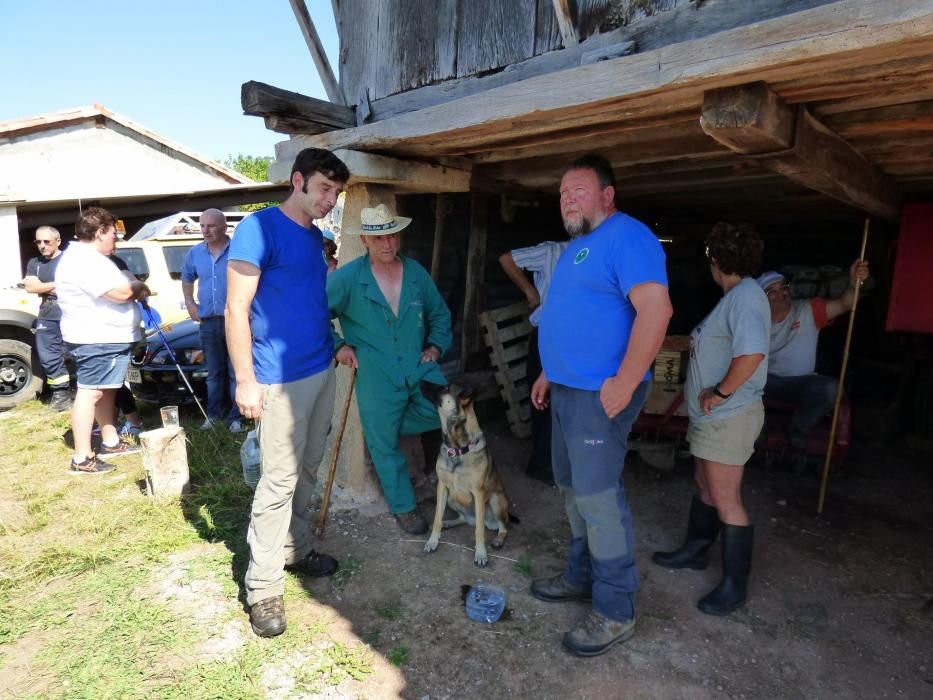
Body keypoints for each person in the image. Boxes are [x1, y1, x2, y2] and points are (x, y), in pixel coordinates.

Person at [529, 154, 672, 657]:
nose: (568, 198)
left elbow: (657, 309)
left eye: (579, 190)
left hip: (601, 395)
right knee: (571, 489)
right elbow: (570, 316)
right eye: (563, 192)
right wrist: (551, 370)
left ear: (607, 195)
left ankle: (615, 609)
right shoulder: (577, 249)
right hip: (569, 389)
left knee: (597, 498)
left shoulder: (628, 237)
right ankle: (580, 576)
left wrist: (628, 379)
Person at [226, 148, 349, 638]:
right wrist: (245, 379)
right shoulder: (258, 229)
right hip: (277, 378)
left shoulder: (317, 238)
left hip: (321, 369)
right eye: (323, 188)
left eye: (336, 193)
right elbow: (237, 310)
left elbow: (311, 304)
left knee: (310, 468)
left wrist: (337, 346)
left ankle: (295, 550)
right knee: (277, 482)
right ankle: (263, 588)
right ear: (297, 180)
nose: (330, 199)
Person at [653, 222, 769, 616]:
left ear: (715, 260)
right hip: (713, 417)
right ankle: (695, 551)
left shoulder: (747, 298)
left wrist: (719, 393)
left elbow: (751, 355)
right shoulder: (736, 296)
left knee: (726, 499)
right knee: (705, 486)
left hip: (729, 415)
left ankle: (734, 586)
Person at [327, 204, 451, 535]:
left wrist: (435, 346)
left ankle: (447, 483)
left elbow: (439, 313)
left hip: (416, 362)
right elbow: (313, 314)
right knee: (383, 441)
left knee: (447, 411)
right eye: (379, 238)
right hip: (375, 369)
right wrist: (338, 346)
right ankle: (404, 507)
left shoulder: (415, 273)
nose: (388, 244)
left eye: (393, 236)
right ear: (365, 240)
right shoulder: (349, 278)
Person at [55, 207, 148, 474]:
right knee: (91, 392)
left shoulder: (92, 257)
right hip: (95, 339)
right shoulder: (83, 260)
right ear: (99, 232)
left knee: (106, 390)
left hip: (105, 338)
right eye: (113, 234)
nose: (116, 240)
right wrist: (139, 288)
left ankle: (110, 440)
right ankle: (82, 458)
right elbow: (119, 293)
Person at [757, 261, 870, 449]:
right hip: (762, 382)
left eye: (783, 288)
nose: (780, 294)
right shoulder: (753, 319)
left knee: (832, 389)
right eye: (772, 291)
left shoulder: (808, 309)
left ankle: (798, 428)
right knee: (737, 380)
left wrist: (853, 283)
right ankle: (755, 428)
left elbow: (844, 303)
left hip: (800, 383)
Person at [499, 239, 568, 483]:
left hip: (576, 338)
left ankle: (556, 464)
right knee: (545, 401)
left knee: (567, 402)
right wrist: (530, 291)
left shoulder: (599, 256)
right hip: (548, 334)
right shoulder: (552, 251)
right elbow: (507, 258)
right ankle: (542, 465)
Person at [181, 208, 245, 432]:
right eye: (202, 226)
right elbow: (187, 278)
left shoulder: (238, 249)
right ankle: (214, 416)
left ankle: (237, 417)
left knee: (236, 369)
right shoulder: (196, 253)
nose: (205, 231)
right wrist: (190, 303)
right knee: (214, 372)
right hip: (209, 321)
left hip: (236, 320)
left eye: (211, 226)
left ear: (224, 227)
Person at [23, 226, 71, 411]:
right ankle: (61, 394)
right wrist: (58, 285)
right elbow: (30, 287)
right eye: (38, 242)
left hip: (70, 312)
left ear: (58, 241)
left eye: (46, 241)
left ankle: (86, 390)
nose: (42, 246)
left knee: (75, 351)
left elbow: (74, 286)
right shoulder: (35, 262)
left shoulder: (69, 259)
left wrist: (43, 286)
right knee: (48, 354)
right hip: (47, 313)